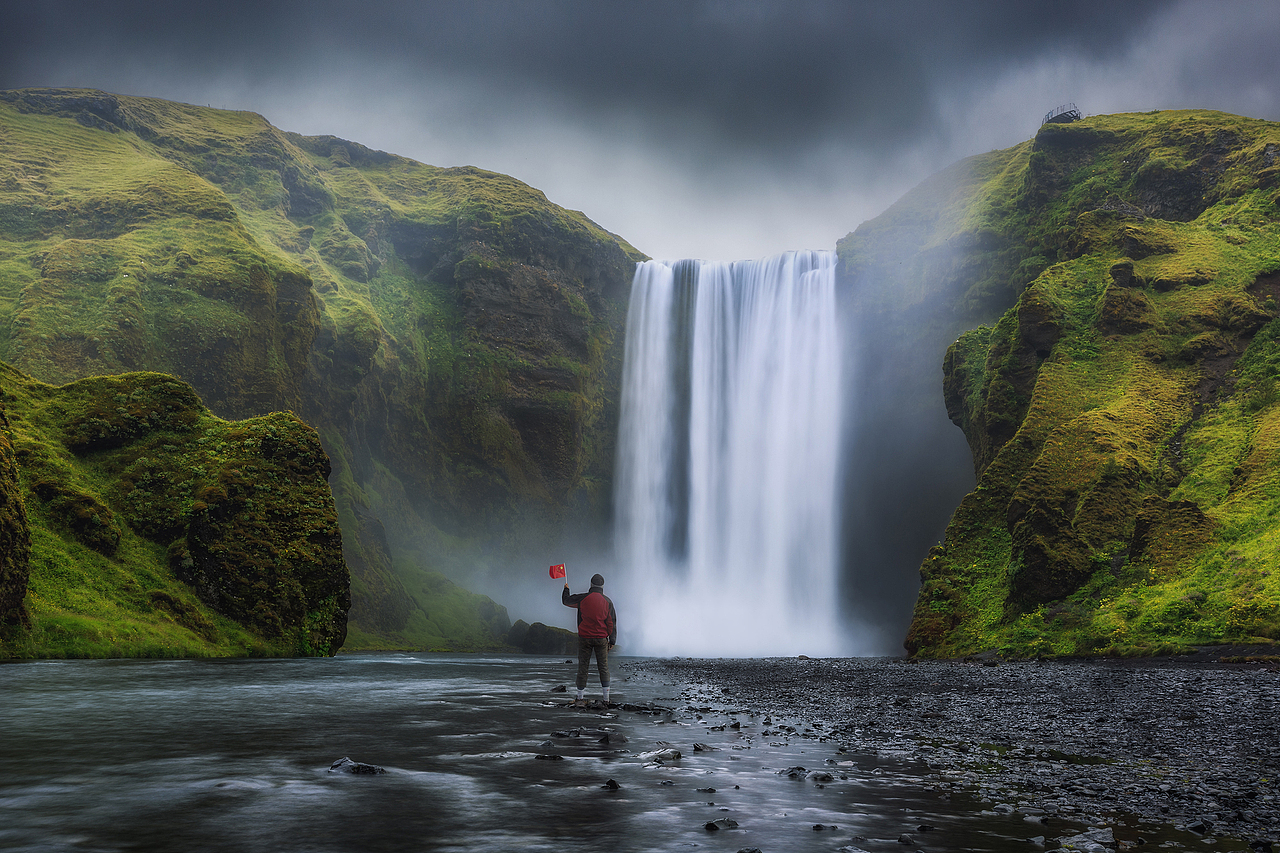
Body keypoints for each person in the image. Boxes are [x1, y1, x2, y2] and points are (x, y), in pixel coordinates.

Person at [562, 573, 617, 704]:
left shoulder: (582, 599)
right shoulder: (607, 602)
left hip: (584, 638)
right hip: (601, 639)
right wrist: (612, 640)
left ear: (591, 585)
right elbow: (611, 623)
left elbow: (566, 601)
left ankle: (580, 697)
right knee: (603, 667)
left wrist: (566, 589)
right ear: (602, 586)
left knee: (583, 667)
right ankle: (606, 699)